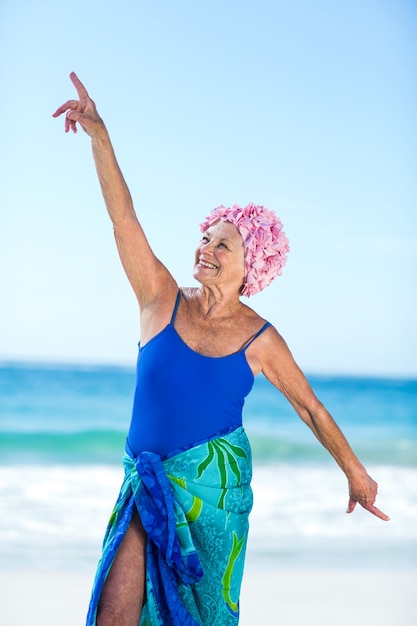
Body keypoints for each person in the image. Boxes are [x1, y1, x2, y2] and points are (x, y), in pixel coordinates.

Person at [53, 72, 390, 626]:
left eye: (222, 244)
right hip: (146, 484)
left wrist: (354, 471)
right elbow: (123, 222)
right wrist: (100, 136)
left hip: (214, 500)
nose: (205, 247)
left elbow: (309, 407)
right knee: (116, 605)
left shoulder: (261, 337)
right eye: (205, 236)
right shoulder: (159, 297)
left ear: (249, 264)